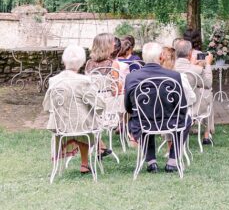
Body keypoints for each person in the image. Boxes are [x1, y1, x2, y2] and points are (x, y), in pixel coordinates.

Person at [124, 41, 190, 173]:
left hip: (143, 123)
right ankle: (172, 160)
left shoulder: (132, 77)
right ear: (161, 57)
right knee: (186, 119)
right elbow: (181, 104)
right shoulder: (173, 76)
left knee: (138, 119)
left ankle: (151, 161)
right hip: (169, 121)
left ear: (143, 58)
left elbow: (128, 107)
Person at [43, 44, 108, 176]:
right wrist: (98, 110)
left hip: (60, 125)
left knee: (79, 121)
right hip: (82, 125)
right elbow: (98, 103)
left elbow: (47, 105)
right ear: (82, 62)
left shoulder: (54, 80)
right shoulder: (84, 81)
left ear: (63, 60)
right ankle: (85, 163)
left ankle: (67, 166)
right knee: (85, 122)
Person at [174, 38, 216, 141]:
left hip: (173, 109)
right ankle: (207, 134)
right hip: (192, 108)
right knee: (207, 93)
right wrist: (208, 65)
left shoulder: (169, 68)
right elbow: (208, 84)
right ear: (189, 53)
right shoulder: (195, 70)